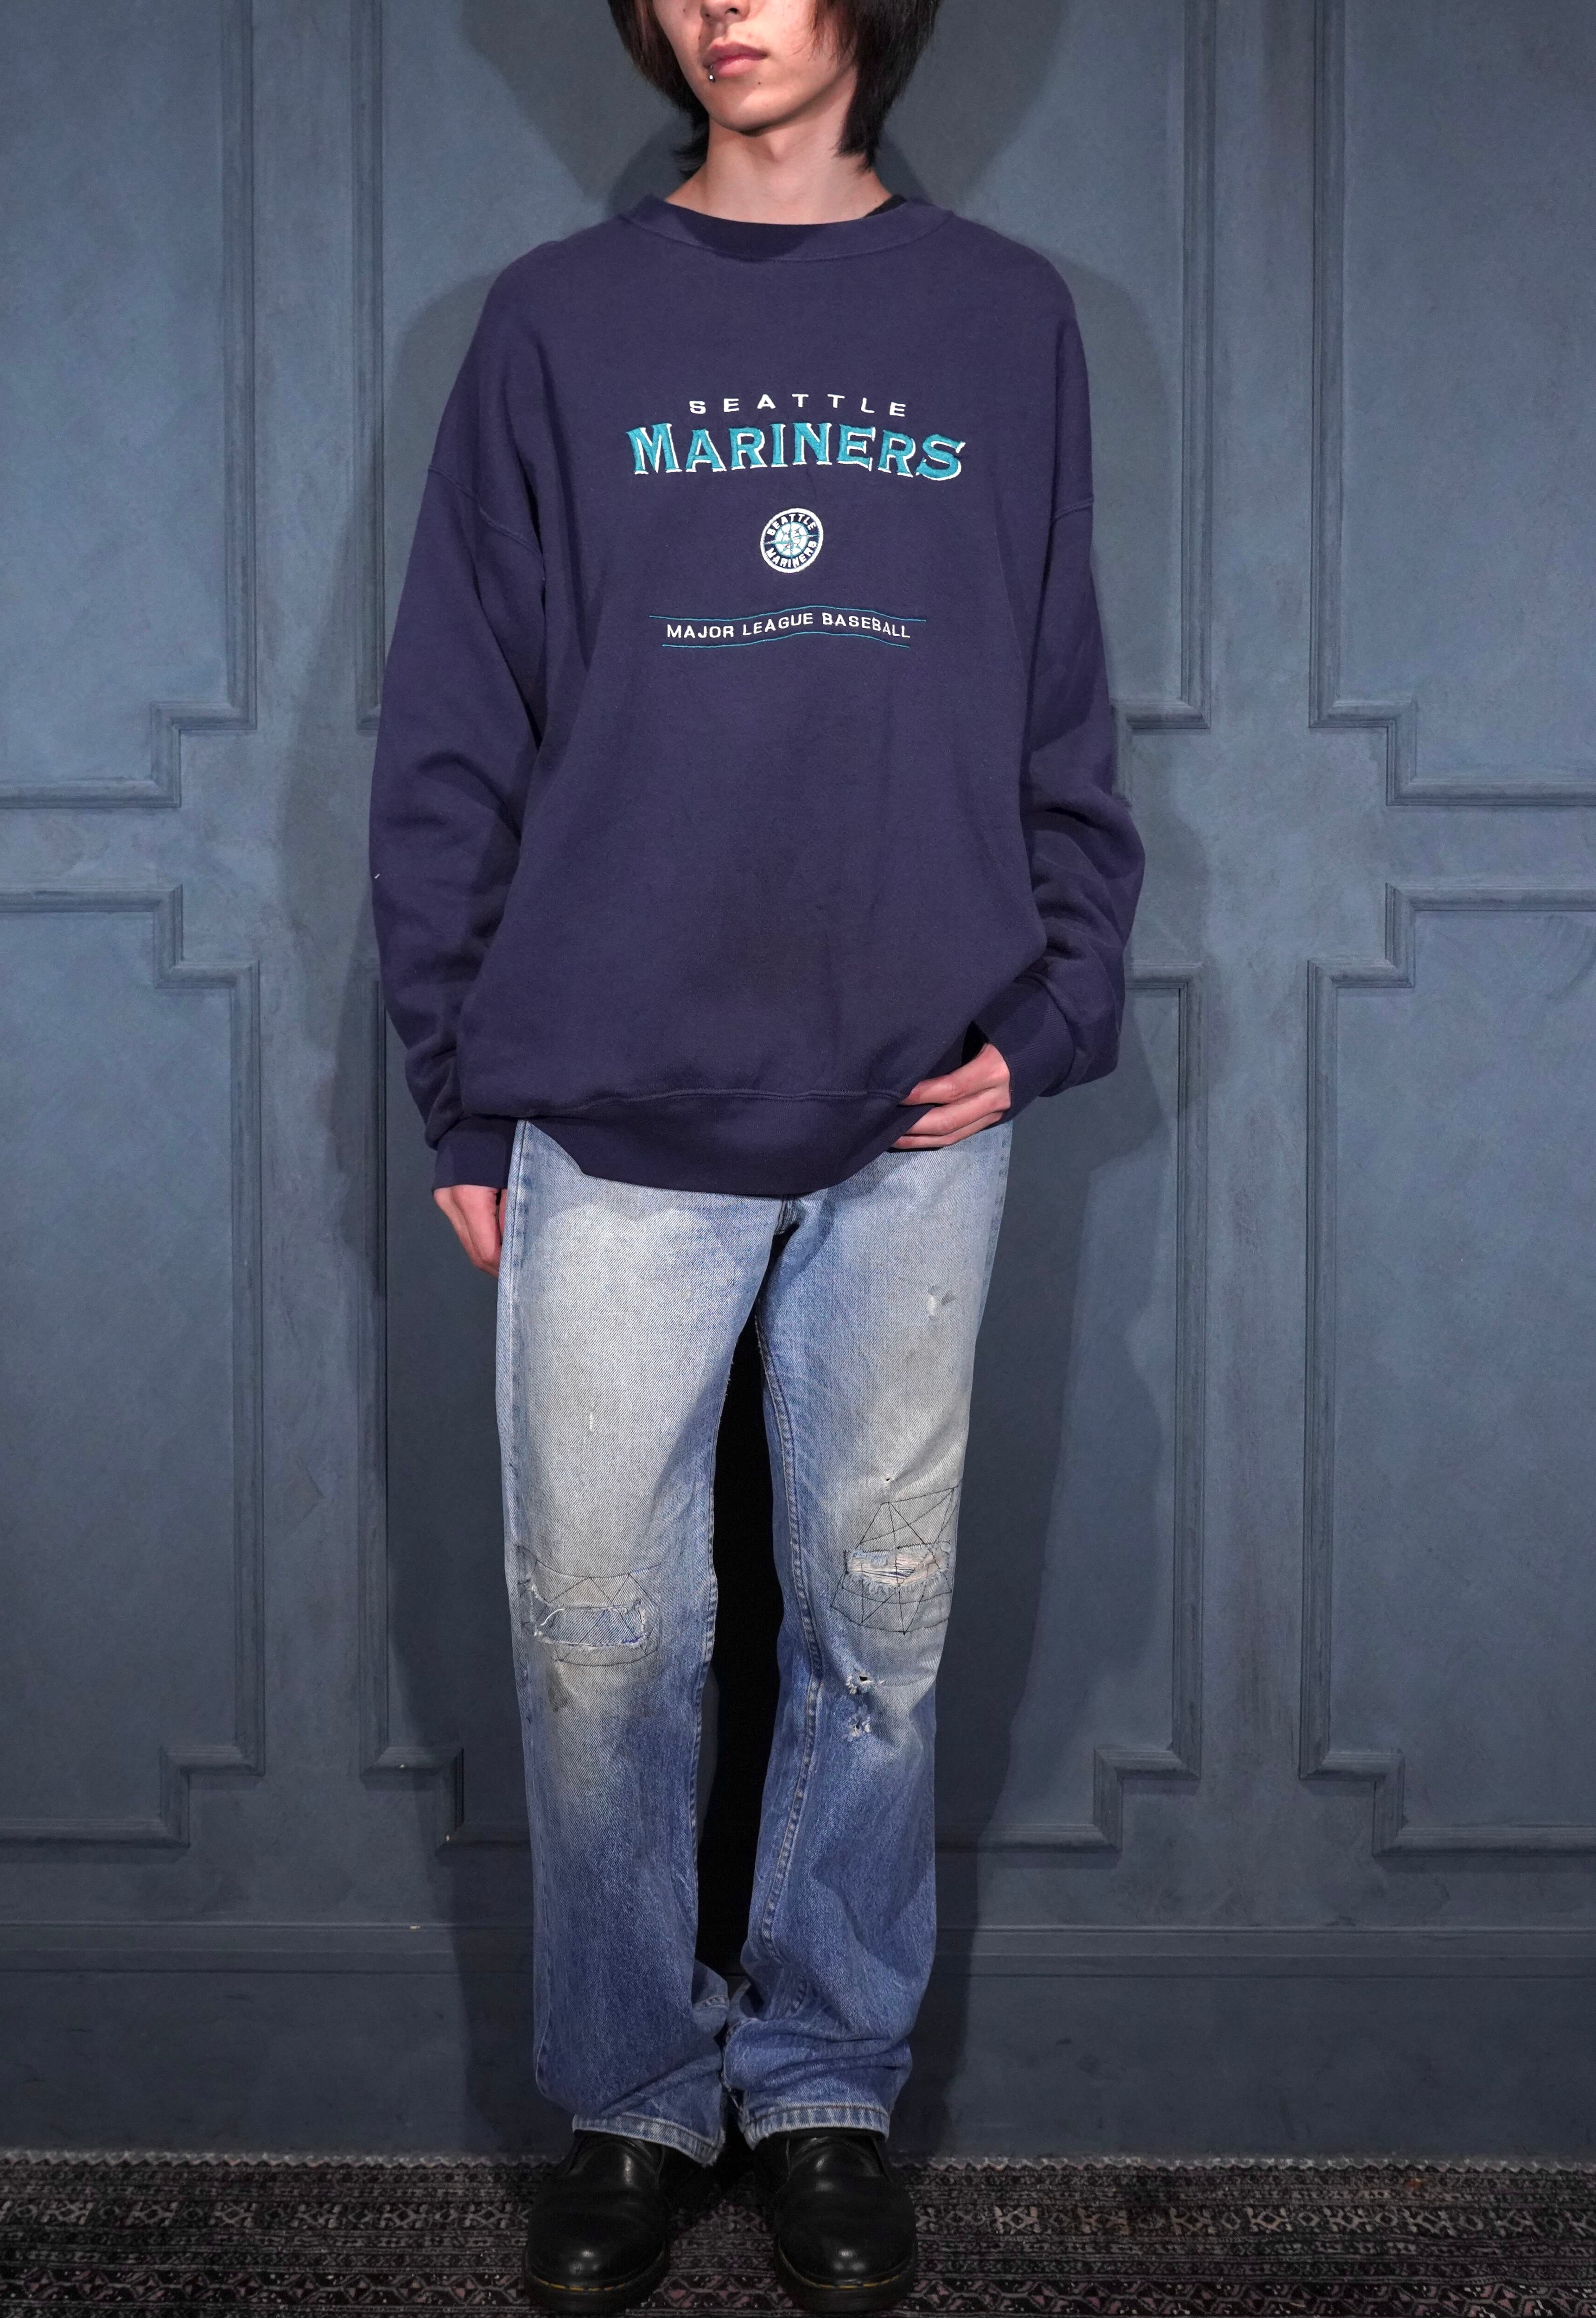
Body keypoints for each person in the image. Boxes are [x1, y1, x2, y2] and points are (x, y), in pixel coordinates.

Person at [368, 0, 1143, 2306]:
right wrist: (456, 1074)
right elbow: (452, 716)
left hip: (914, 1102)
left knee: (874, 1630)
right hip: (613, 1090)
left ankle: (819, 2086)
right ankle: (628, 2091)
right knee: (603, 1641)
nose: (723, 3)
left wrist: (1053, 1003)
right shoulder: (551, 326)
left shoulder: (1000, 319)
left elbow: (1055, 689)